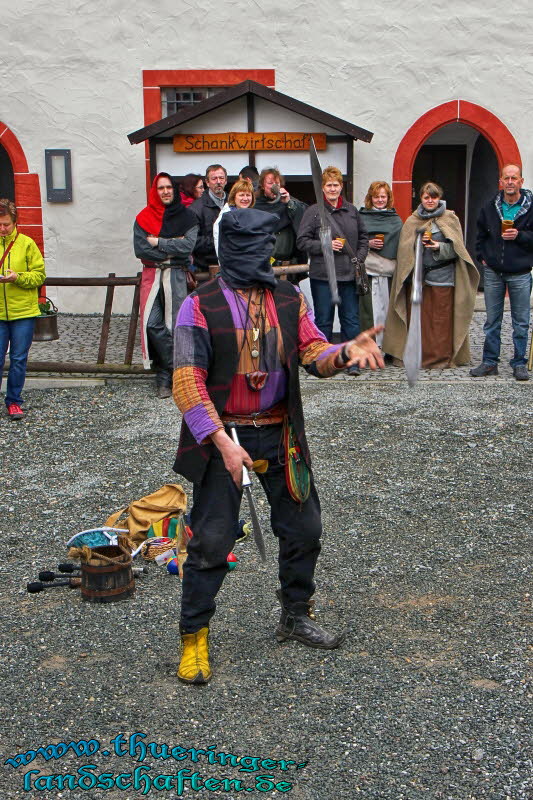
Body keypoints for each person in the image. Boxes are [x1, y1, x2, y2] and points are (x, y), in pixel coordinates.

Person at [172, 207, 384, 684]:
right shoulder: (199, 304)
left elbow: (312, 351)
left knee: (305, 529)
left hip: (281, 433)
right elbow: (187, 382)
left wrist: (344, 352)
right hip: (223, 437)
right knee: (212, 541)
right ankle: (194, 635)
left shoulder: (289, 298)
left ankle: (295, 614)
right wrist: (221, 443)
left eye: (266, 247)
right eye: (251, 249)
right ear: (229, 250)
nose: (261, 259)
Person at [383, 182, 478, 368]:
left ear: (439, 198)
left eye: (433, 197)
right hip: (417, 280)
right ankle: (414, 356)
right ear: (421, 198)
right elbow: (404, 250)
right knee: (418, 320)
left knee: (440, 322)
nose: (430, 201)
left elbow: (458, 250)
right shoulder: (412, 220)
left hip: (443, 278)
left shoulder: (450, 218)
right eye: (426, 197)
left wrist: (438, 247)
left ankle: (439, 359)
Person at [297, 166, 368, 375]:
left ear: (341, 186)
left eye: (336, 185)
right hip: (323, 275)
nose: (333, 189)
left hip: (348, 275)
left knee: (351, 320)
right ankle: (325, 362)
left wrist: (359, 259)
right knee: (324, 320)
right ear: (323, 187)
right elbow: (302, 242)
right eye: (329, 185)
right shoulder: (313, 212)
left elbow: (364, 238)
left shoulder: (352, 211)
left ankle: (351, 361)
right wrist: (324, 246)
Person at [134, 172, 198, 398]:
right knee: (152, 324)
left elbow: (188, 247)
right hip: (152, 276)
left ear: (174, 189)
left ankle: (164, 378)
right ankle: (174, 369)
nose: (165, 191)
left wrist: (159, 242)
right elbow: (141, 249)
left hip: (176, 277)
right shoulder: (143, 217)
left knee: (175, 326)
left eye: (169, 187)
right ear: (155, 191)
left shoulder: (188, 217)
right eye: (160, 188)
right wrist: (173, 246)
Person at [471, 163, 533, 381]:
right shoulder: (490, 207)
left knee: (521, 321)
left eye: (514, 178)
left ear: (521, 182)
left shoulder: (530, 207)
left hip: (520, 272)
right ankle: (489, 362)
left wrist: (520, 235)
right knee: (492, 320)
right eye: (506, 178)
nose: (509, 182)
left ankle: (518, 363)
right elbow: (479, 236)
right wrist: (483, 258)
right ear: (501, 181)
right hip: (494, 272)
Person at [0, 199, 46, 420]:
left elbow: (39, 275)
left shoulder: (27, 244)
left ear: (14, 222)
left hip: (23, 313)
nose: (2, 228)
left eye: (6, 224)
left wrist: (17, 277)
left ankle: (14, 401)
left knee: (18, 359)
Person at [358, 181, 402, 350]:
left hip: (388, 272)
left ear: (388, 198)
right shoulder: (361, 218)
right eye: (376, 197)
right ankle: (368, 347)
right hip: (367, 271)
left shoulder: (395, 219)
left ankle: (387, 347)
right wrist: (368, 243)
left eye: (383, 196)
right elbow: (355, 239)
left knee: (386, 312)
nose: (380, 200)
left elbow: (401, 243)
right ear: (371, 198)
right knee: (368, 312)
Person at [254, 167, 307, 265]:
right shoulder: (255, 204)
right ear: (262, 185)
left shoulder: (288, 200)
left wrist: (289, 203)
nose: (274, 186)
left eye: (277, 184)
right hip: (262, 260)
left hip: (287, 261)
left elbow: (305, 215)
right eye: (270, 183)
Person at [190, 164, 228, 269]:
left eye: (221, 178)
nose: (218, 181)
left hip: (232, 264)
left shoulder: (234, 203)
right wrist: (219, 241)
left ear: (226, 181)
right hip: (206, 267)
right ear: (207, 182)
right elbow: (193, 240)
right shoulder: (196, 208)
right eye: (214, 178)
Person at [213, 179, 255, 256]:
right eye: (241, 195)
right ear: (234, 196)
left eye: (248, 195)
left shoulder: (253, 215)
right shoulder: (225, 217)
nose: (245, 199)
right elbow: (219, 245)